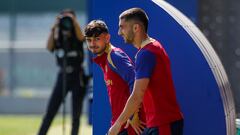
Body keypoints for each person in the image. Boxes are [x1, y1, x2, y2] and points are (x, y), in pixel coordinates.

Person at [108, 8, 184, 135]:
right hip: (160, 124)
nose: (119, 32)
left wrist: (117, 124)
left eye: (122, 27)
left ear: (136, 28)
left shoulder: (146, 53)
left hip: (163, 124)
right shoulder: (153, 46)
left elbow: (137, 95)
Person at [84, 20, 145, 135]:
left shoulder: (115, 56)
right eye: (89, 40)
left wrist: (133, 116)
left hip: (130, 126)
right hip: (120, 125)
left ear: (107, 38)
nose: (92, 44)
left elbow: (136, 82)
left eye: (97, 39)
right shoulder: (104, 58)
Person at [38, 9, 87, 135]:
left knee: (76, 114)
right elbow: (49, 47)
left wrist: (73, 21)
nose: (67, 21)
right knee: (50, 111)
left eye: (69, 18)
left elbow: (82, 37)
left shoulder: (77, 34)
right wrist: (54, 27)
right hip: (63, 75)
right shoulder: (58, 35)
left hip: (77, 75)